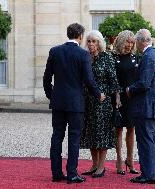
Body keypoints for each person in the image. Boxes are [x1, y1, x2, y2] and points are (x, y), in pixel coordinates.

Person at [43, 23, 105, 184]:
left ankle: (56, 173)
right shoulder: (83, 54)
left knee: (57, 136)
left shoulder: (54, 51)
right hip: (76, 103)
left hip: (58, 102)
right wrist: (98, 94)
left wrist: (52, 96)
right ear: (80, 36)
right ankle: (72, 174)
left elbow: (46, 78)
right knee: (74, 138)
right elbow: (89, 80)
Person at [80, 30, 120, 178]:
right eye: (89, 41)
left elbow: (113, 80)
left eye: (94, 41)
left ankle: (101, 167)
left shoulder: (107, 57)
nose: (91, 44)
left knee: (102, 134)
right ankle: (94, 164)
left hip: (102, 101)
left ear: (99, 43)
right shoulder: (85, 58)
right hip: (87, 101)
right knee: (90, 133)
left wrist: (116, 98)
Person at [126, 29, 155, 184]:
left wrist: (129, 89)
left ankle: (148, 174)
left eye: (136, 41)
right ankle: (154, 173)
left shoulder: (148, 57)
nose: (135, 45)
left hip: (145, 106)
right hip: (153, 105)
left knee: (145, 141)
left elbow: (144, 83)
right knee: (151, 140)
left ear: (141, 41)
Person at [111, 30, 139, 175]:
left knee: (131, 128)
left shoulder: (136, 58)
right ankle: (119, 160)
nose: (129, 45)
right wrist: (116, 95)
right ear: (121, 41)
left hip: (132, 98)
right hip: (118, 97)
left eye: (132, 42)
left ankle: (130, 159)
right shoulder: (113, 57)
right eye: (127, 42)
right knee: (118, 129)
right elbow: (112, 79)